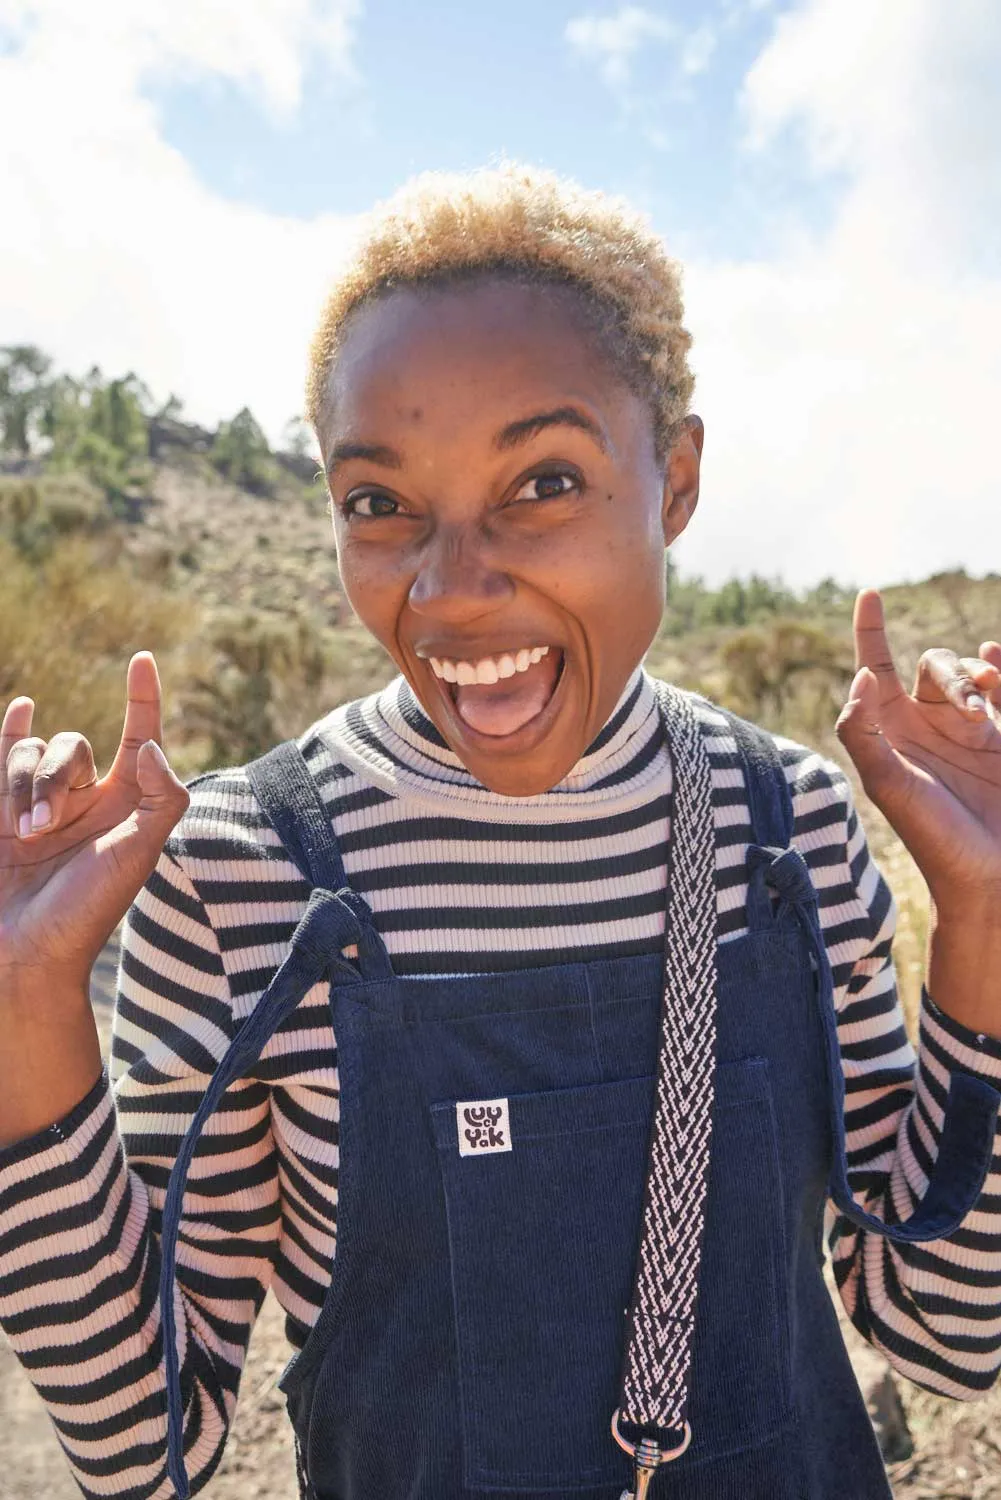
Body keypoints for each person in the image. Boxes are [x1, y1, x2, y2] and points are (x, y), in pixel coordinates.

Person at [1, 164, 1000, 1500]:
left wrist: (988, 920)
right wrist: (25, 1008)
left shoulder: (793, 835)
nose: (453, 587)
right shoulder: (239, 874)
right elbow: (145, 1450)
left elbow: (948, 1332)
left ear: (679, 479)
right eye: (381, 503)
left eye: (543, 481)